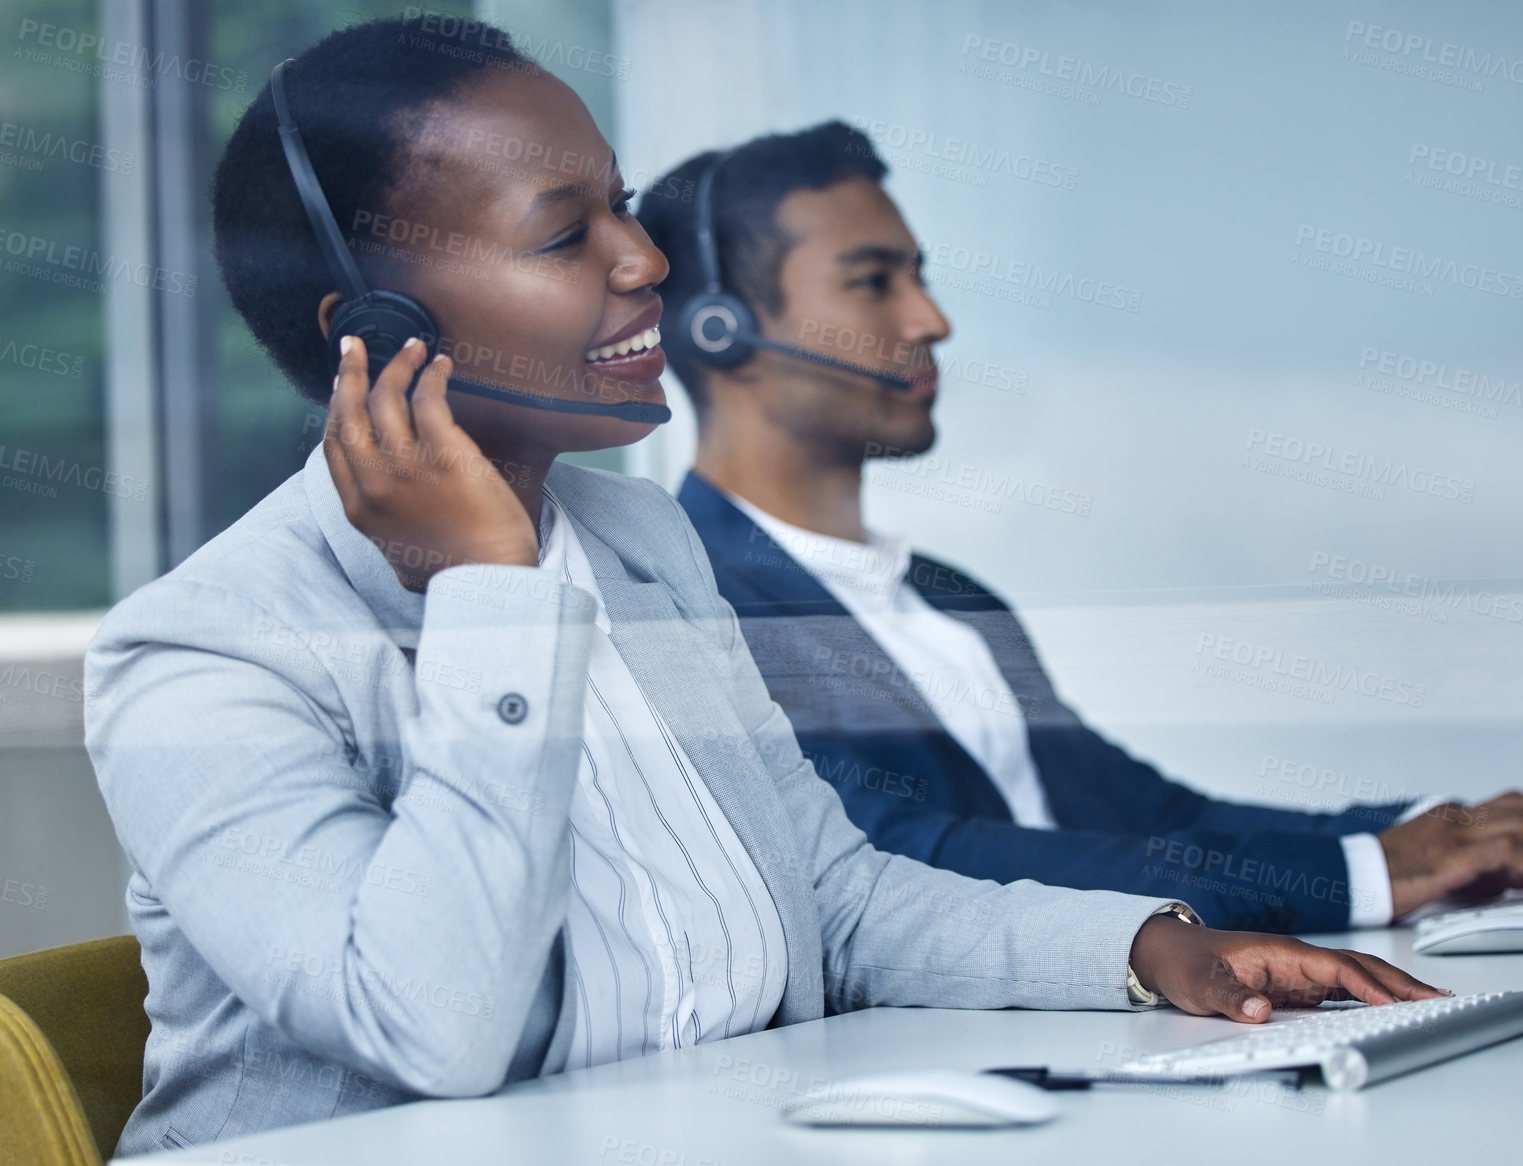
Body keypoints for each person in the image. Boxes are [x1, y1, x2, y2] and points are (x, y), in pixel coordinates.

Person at [82, 20, 1443, 1157]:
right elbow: (430, 1030)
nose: (646, 261)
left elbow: (832, 893)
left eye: (620, 202)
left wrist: (1141, 947)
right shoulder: (205, 657)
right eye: (567, 237)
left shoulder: (639, 547)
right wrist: (487, 600)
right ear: (377, 333)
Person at [635, 121, 1523, 936]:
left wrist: (1435, 831)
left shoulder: (946, 595)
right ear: (723, 330)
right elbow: (912, 855)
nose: (931, 318)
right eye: (873, 281)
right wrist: (1356, 874)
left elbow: (1153, 819)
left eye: (920, 275)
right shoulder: (699, 603)